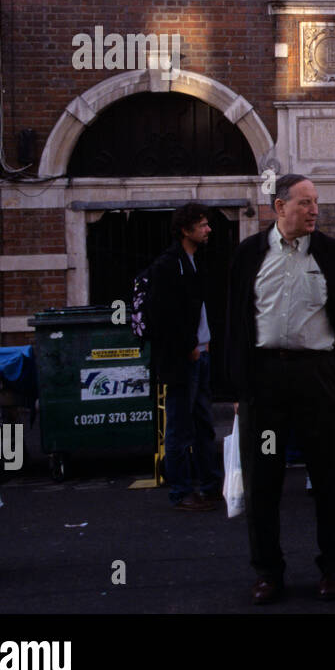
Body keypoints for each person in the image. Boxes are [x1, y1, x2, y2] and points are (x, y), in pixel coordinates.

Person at [223, 174, 335, 605]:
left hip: (316, 377)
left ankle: (333, 568)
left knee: (327, 478)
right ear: (278, 207)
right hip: (265, 382)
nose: (314, 210)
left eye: (316, 202)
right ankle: (268, 572)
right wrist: (239, 385)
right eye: (304, 203)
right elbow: (233, 318)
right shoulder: (249, 255)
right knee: (263, 481)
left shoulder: (334, 256)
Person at [147, 202, 222, 512]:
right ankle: (180, 491)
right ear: (184, 229)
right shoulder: (167, 265)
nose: (208, 230)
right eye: (202, 225)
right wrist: (189, 345)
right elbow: (163, 315)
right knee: (179, 427)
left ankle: (209, 485)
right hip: (184, 358)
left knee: (204, 422)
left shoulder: (194, 262)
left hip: (201, 353)